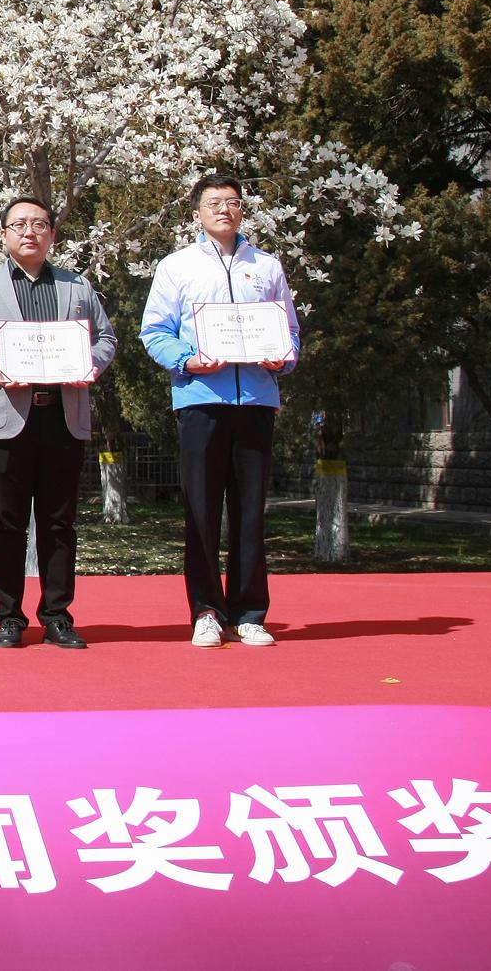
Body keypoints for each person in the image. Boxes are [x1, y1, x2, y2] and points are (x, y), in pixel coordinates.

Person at [138, 173, 300, 648]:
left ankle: (249, 612)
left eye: (232, 201)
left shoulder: (267, 266)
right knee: (202, 511)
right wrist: (187, 360)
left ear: (242, 210)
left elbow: (289, 330)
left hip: (256, 401)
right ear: (197, 215)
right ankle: (207, 610)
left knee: (250, 513)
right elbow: (155, 332)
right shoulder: (177, 267)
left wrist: (283, 358)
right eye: (214, 203)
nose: (224, 209)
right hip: (200, 401)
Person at [0, 198, 117, 649]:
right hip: (7, 418)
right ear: (4, 233)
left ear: (52, 235)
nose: (30, 232)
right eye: (19, 224)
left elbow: (106, 338)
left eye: (40, 224)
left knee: (59, 523)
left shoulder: (77, 286)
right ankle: (8, 616)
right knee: (6, 523)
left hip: (63, 416)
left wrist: (91, 364)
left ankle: (57, 616)